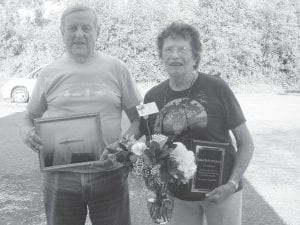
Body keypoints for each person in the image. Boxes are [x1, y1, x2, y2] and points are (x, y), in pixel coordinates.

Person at [20, 5, 142, 225]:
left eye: (86, 28)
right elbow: (28, 116)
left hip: (110, 175)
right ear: (62, 33)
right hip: (60, 178)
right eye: (72, 28)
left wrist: (123, 146)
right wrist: (27, 133)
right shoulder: (48, 73)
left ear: (97, 31)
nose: (79, 34)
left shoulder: (117, 68)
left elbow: (139, 118)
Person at [140, 22, 254, 225]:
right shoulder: (151, 96)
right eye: (168, 50)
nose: (174, 55)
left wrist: (232, 183)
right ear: (161, 56)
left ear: (195, 55)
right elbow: (145, 142)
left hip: (222, 192)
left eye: (182, 49)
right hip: (177, 196)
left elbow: (246, 142)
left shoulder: (218, 88)